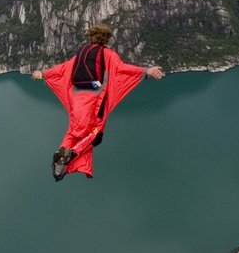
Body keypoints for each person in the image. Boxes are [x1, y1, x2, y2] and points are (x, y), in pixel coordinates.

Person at [32, 23, 164, 181]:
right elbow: (122, 69)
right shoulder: (107, 54)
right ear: (106, 38)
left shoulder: (81, 53)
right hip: (94, 102)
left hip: (76, 99)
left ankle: (61, 151)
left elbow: (62, 69)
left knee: (73, 130)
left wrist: (43, 74)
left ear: (91, 36)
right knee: (95, 134)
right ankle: (71, 153)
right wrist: (145, 71)